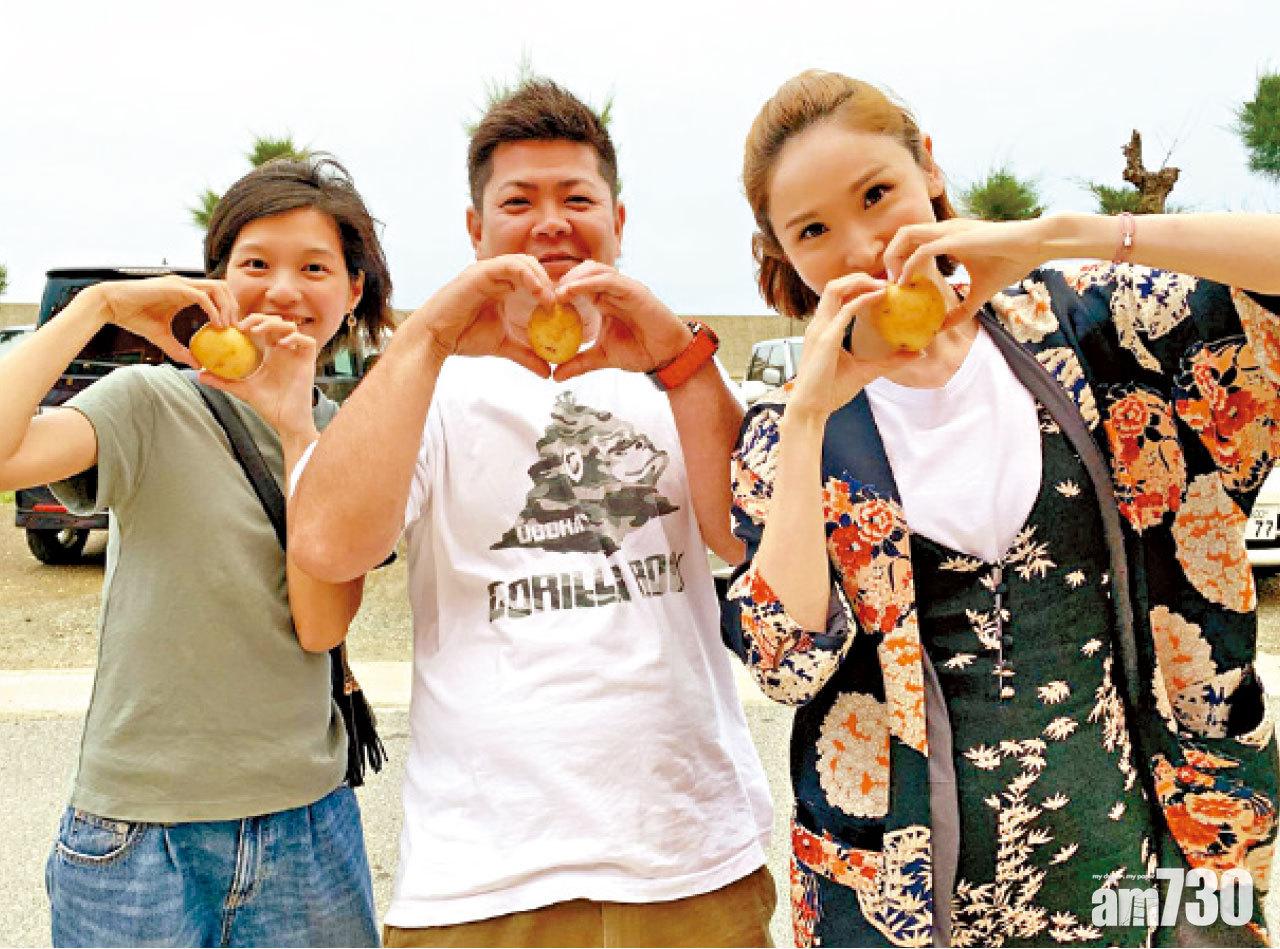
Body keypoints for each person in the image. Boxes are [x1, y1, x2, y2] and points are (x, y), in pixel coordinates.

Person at [723, 69, 1280, 947]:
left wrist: (1062, 234)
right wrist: (806, 420)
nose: (863, 245)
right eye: (814, 230)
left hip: (1135, 873)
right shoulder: (790, 434)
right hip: (903, 909)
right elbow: (785, 664)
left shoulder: (1089, 329)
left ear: (928, 168)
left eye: (877, 194)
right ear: (782, 253)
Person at [289, 78, 776, 948]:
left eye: (576, 199)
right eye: (518, 202)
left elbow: (746, 535)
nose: (550, 222)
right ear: (475, 230)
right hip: (481, 880)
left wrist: (678, 360)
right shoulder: (430, 386)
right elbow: (327, 544)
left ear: (617, 221)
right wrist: (429, 337)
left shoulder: (676, 372)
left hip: (687, 860)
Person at [0, 157, 392, 947]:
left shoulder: (355, 440)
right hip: (136, 832)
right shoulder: (147, 402)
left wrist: (296, 429)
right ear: (216, 282)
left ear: (353, 291)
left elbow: (320, 625)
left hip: (305, 826)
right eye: (256, 264)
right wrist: (99, 305)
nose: (282, 289)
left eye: (315, 268)